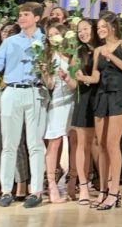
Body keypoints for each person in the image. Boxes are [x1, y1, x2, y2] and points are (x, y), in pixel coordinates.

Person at [0, 2, 48, 209]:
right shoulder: (9, 42)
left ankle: (36, 191)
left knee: (35, 144)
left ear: (37, 18)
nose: (21, 18)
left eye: (26, 15)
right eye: (20, 15)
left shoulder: (45, 40)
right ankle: (6, 191)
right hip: (11, 91)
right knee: (8, 144)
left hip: (35, 90)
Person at [75, 12, 122, 211]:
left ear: (112, 26)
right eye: (98, 27)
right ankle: (102, 190)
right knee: (100, 144)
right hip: (102, 95)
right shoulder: (98, 50)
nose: (100, 30)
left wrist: (111, 57)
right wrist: (81, 77)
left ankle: (114, 192)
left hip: (119, 94)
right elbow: (95, 76)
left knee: (112, 143)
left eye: (103, 26)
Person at [42, 23, 77, 204]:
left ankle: (72, 182)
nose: (53, 37)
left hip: (73, 102)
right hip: (56, 103)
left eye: (56, 34)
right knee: (54, 143)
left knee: (74, 143)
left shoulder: (72, 56)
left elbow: (75, 86)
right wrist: (44, 72)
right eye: (50, 35)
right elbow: (50, 85)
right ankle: (51, 185)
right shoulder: (48, 57)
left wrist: (67, 78)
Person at [70, 18, 98, 205]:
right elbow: (73, 83)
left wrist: (87, 78)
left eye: (85, 29)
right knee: (83, 144)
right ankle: (83, 186)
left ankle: (106, 184)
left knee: (100, 144)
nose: (82, 33)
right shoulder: (77, 52)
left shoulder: (103, 48)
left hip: (102, 97)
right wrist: (68, 77)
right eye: (79, 30)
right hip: (84, 98)